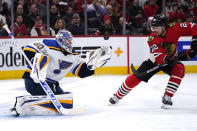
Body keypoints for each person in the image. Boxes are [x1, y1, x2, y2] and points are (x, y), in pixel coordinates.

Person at [11, 30, 112, 116]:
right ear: (61, 40)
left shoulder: (73, 56)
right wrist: (37, 65)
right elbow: (28, 50)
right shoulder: (48, 44)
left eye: (70, 40)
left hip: (52, 84)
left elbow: (81, 72)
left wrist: (92, 66)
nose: (70, 43)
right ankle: (23, 103)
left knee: (66, 101)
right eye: (68, 40)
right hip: (33, 80)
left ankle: (31, 103)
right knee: (42, 57)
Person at [109, 15, 197, 108]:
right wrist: (166, 58)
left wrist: (195, 39)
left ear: (164, 26)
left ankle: (167, 97)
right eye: (152, 27)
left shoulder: (175, 28)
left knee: (179, 69)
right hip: (154, 61)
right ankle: (117, 96)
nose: (153, 30)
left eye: (156, 27)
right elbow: (158, 55)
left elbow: (193, 26)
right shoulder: (152, 38)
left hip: (171, 60)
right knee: (136, 77)